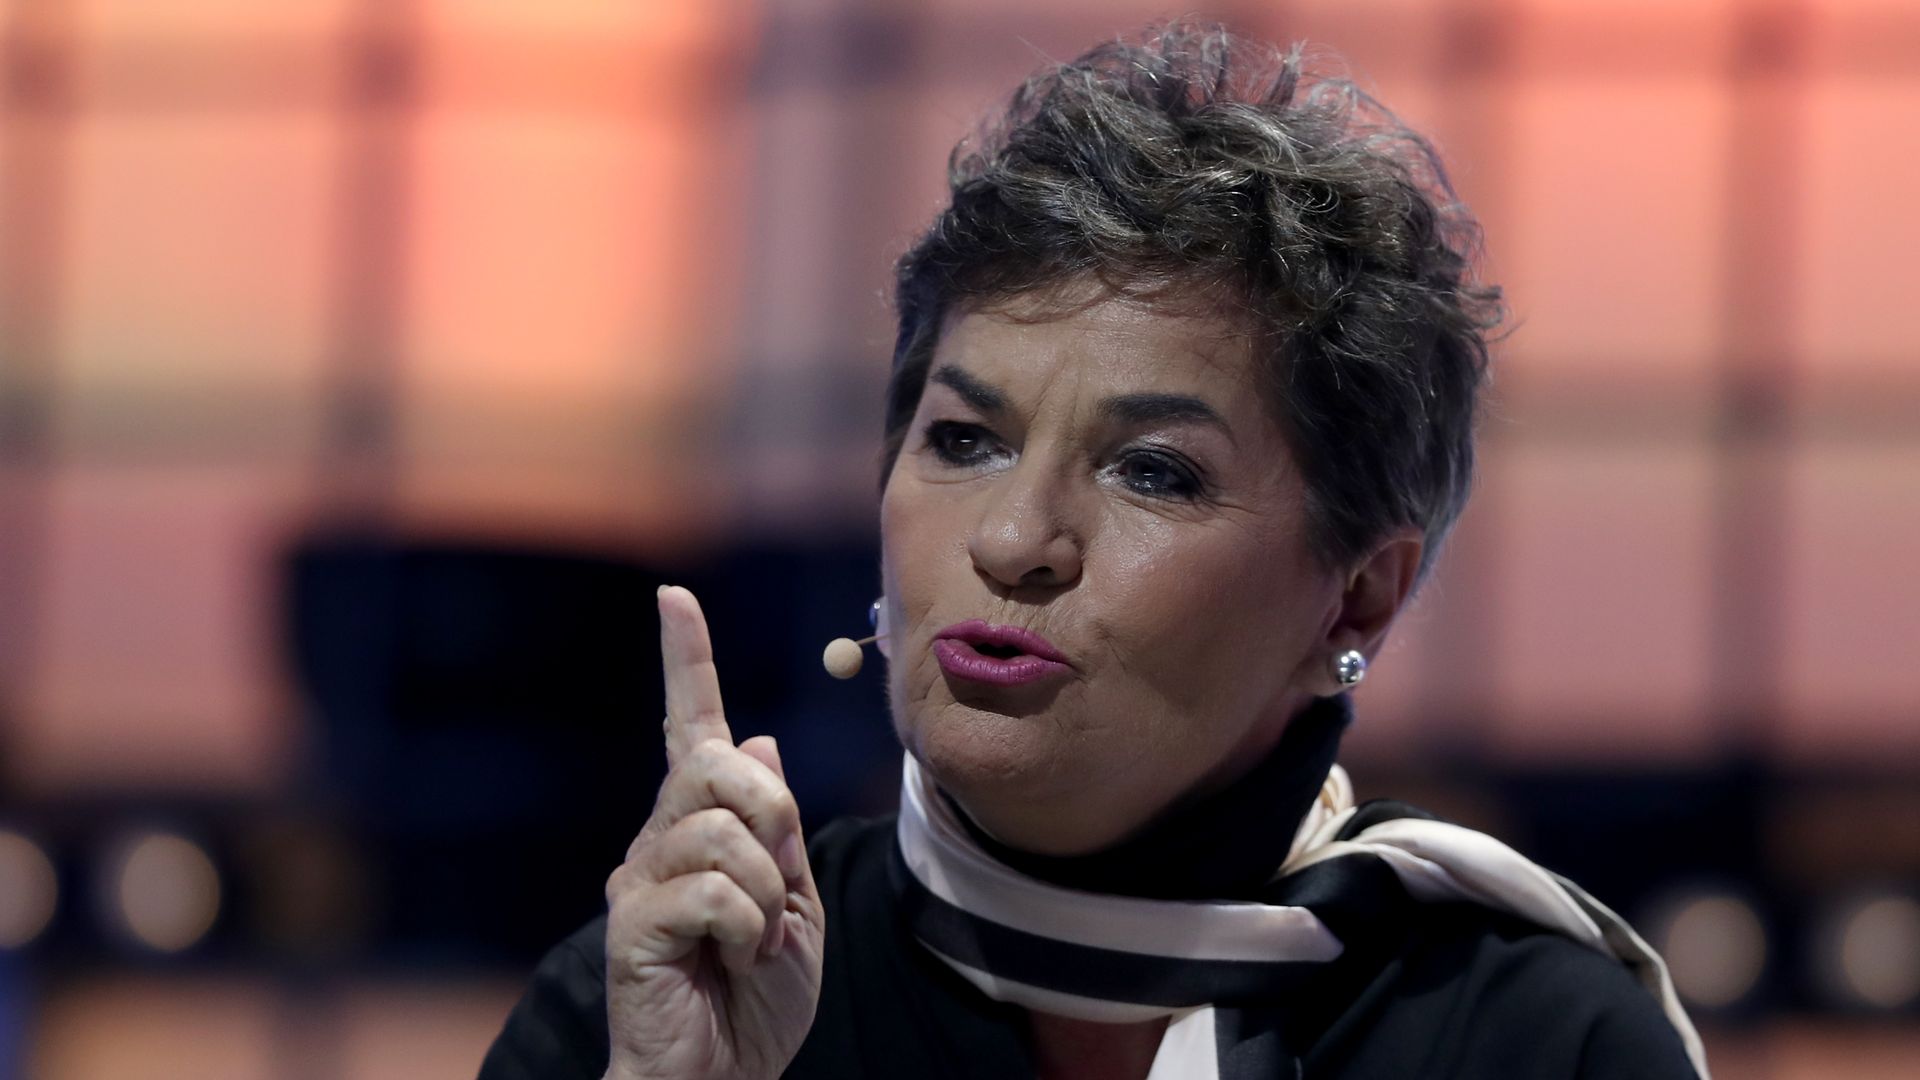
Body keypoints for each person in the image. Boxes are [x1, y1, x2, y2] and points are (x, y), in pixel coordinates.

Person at [479, 21, 1709, 1080]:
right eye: (964, 441)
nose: (1014, 540)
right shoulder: (666, 993)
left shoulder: (1536, 1044)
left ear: (1356, 601)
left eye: (1153, 471)